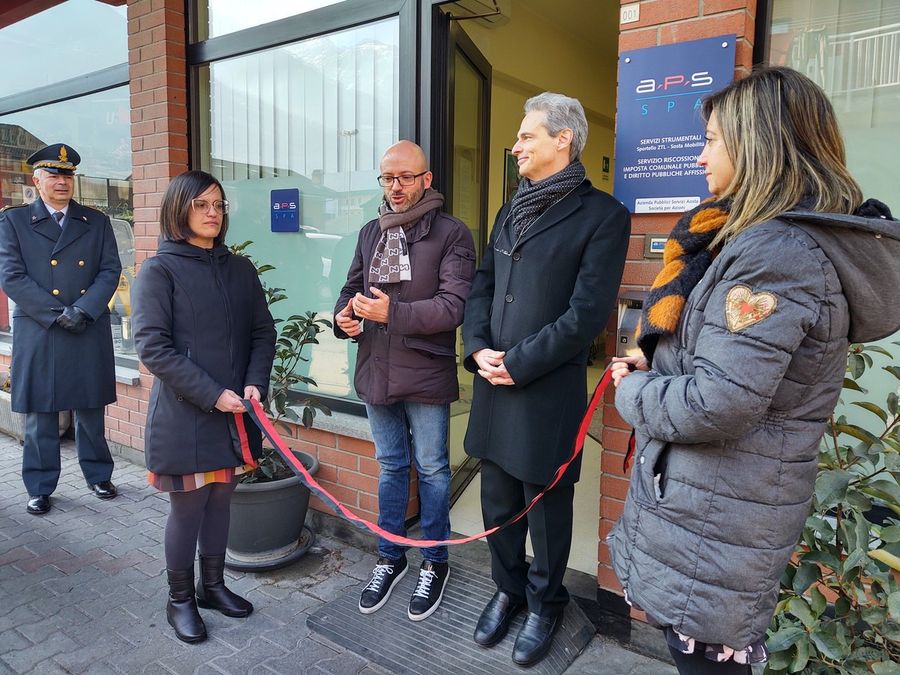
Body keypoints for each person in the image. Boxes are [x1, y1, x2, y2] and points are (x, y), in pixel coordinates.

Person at [608, 66, 900, 674]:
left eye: (712, 140)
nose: (700, 156)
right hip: (715, 509)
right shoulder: (750, 239)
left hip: (719, 517)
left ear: (757, 144)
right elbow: (724, 360)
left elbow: (718, 402)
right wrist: (656, 359)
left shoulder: (776, 253)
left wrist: (633, 389)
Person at [462, 93, 630, 667]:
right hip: (493, 383)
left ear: (563, 139)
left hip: (545, 390)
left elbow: (586, 315)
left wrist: (519, 361)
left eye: (526, 135)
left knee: (546, 507)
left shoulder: (603, 216)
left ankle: (545, 602)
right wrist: (477, 348)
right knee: (495, 501)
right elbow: (483, 285)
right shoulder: (511, 209)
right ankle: (508, 590)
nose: (516, 146)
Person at [334, 140, 476, 621]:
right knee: (392, 467)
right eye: (388, 178)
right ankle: (390, 557)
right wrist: (344, 317)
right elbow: (351, 289)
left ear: (426, 179)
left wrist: (391, 313)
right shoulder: (370, 231)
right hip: (376, 368)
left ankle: (435, 561)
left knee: (433, 469)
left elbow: (453, 307)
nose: (395, 187)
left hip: (425, 371)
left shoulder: (452, 233)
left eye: (405, 178)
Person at [131, 170, 275, 644]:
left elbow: (262, 332)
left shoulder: (241, 269)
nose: (213, 213)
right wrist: (213, 394)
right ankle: (180, 600)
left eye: (218, 204)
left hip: (235, 415)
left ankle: (212, 586)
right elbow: (153, 349)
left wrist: (255, 383)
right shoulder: (159, 271)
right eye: (201, 204)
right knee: (189, 508)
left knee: (221, 501)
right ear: (179, 209)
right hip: (186, 415)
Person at [0, 143, 122, 515]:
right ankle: (39, 487)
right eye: (53, 175)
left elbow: (110, 270)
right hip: (41, 328)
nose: (62, 181)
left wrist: (83, 310)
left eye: (67, 175)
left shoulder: (95, 221)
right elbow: (11, 276)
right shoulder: (14, 222)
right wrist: (57, 314)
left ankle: (98, 475)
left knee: (90, 409)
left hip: (87, 324)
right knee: (41, 414)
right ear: (37, 181)